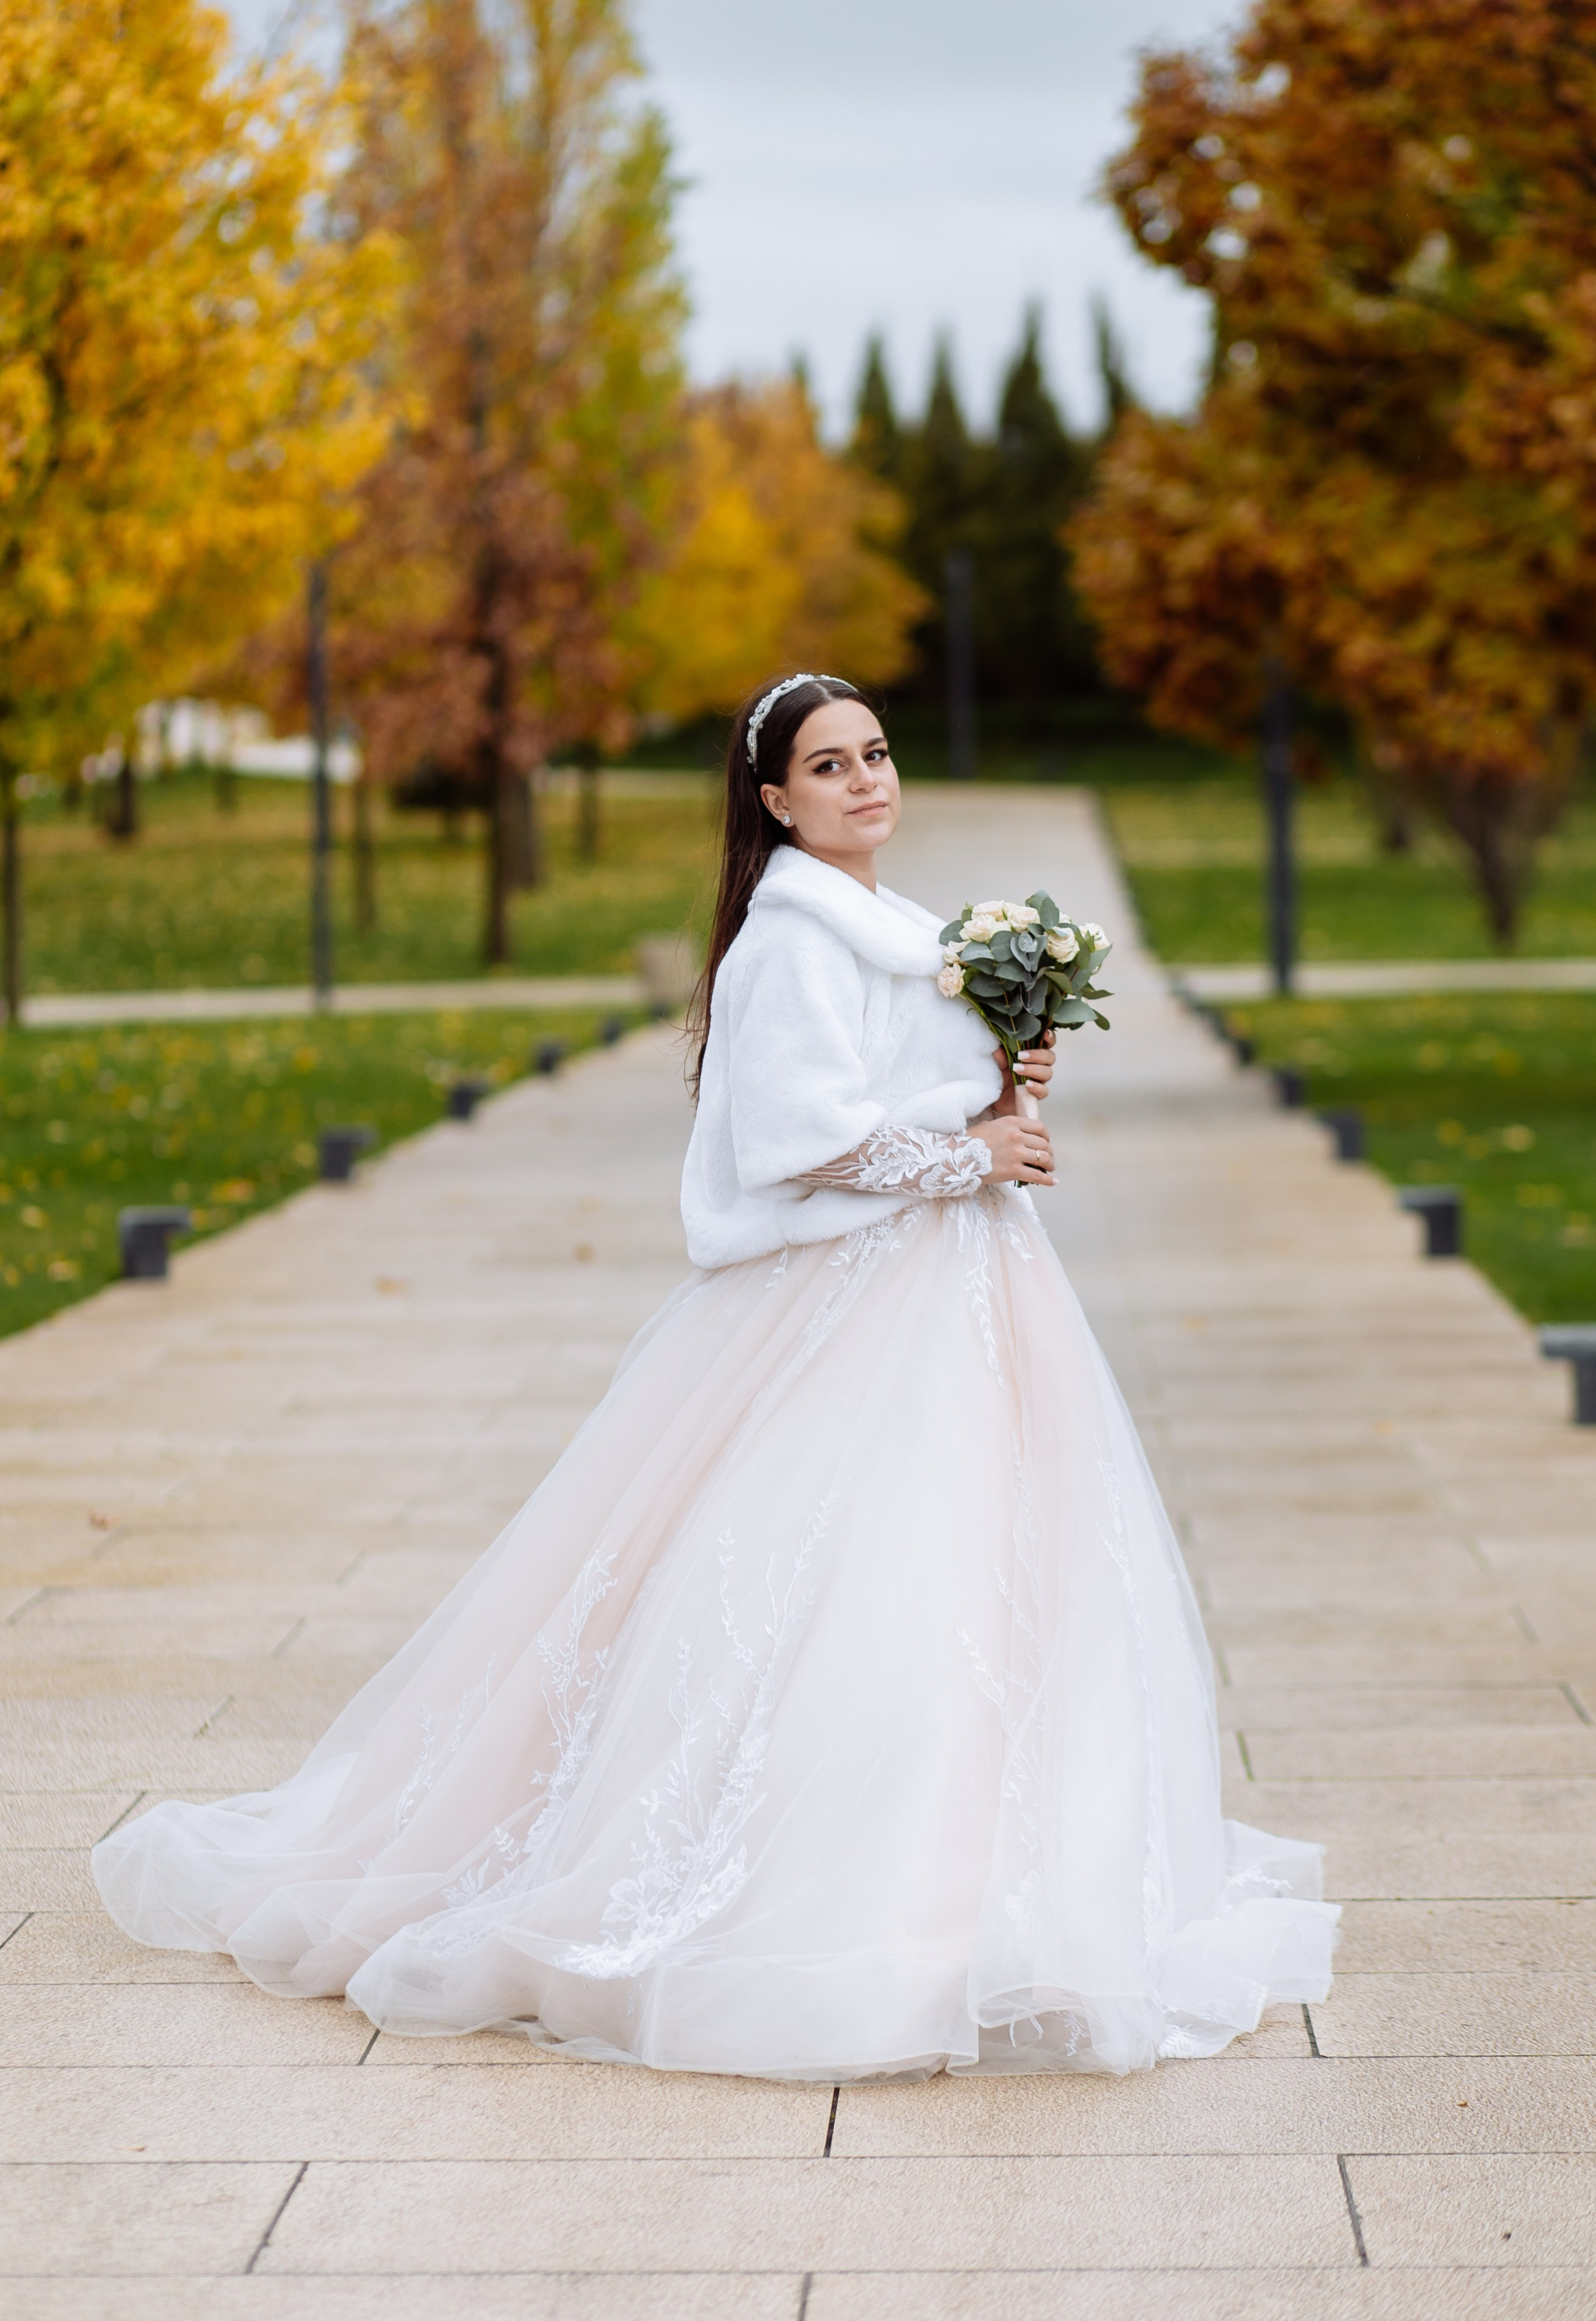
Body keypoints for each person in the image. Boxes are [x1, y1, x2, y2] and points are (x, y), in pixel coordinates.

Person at [92, 671, 1336, 2080]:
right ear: (772, 801)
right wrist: (970, 1153)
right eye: (827, 767)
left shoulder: (893, 930)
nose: (864, 782)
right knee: (858, 1584)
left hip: (960, 1290)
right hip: (850, 1303)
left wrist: (1000, 1086)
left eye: (874, 755)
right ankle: (825, 1900)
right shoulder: (790, 945)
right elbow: (797, 1143)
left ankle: (987, 1875)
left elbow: (896, 1095)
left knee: (986, 1575)